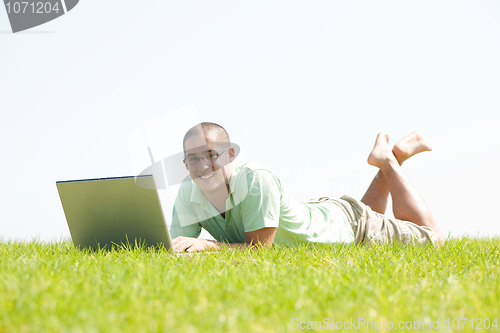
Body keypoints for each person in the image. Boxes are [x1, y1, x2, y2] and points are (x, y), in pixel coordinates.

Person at [170, 122, 444, 253]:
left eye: (210, 155)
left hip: (350, 226)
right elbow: (177, 247)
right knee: (367, 211)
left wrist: (207, 246)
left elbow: (259, 251)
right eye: (192, 158)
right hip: (329, 214)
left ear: (230, 155)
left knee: (433, 239)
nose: (202, 165)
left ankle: (391, 160)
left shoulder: (255, 180)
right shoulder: (188, 191)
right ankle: (392, 158)